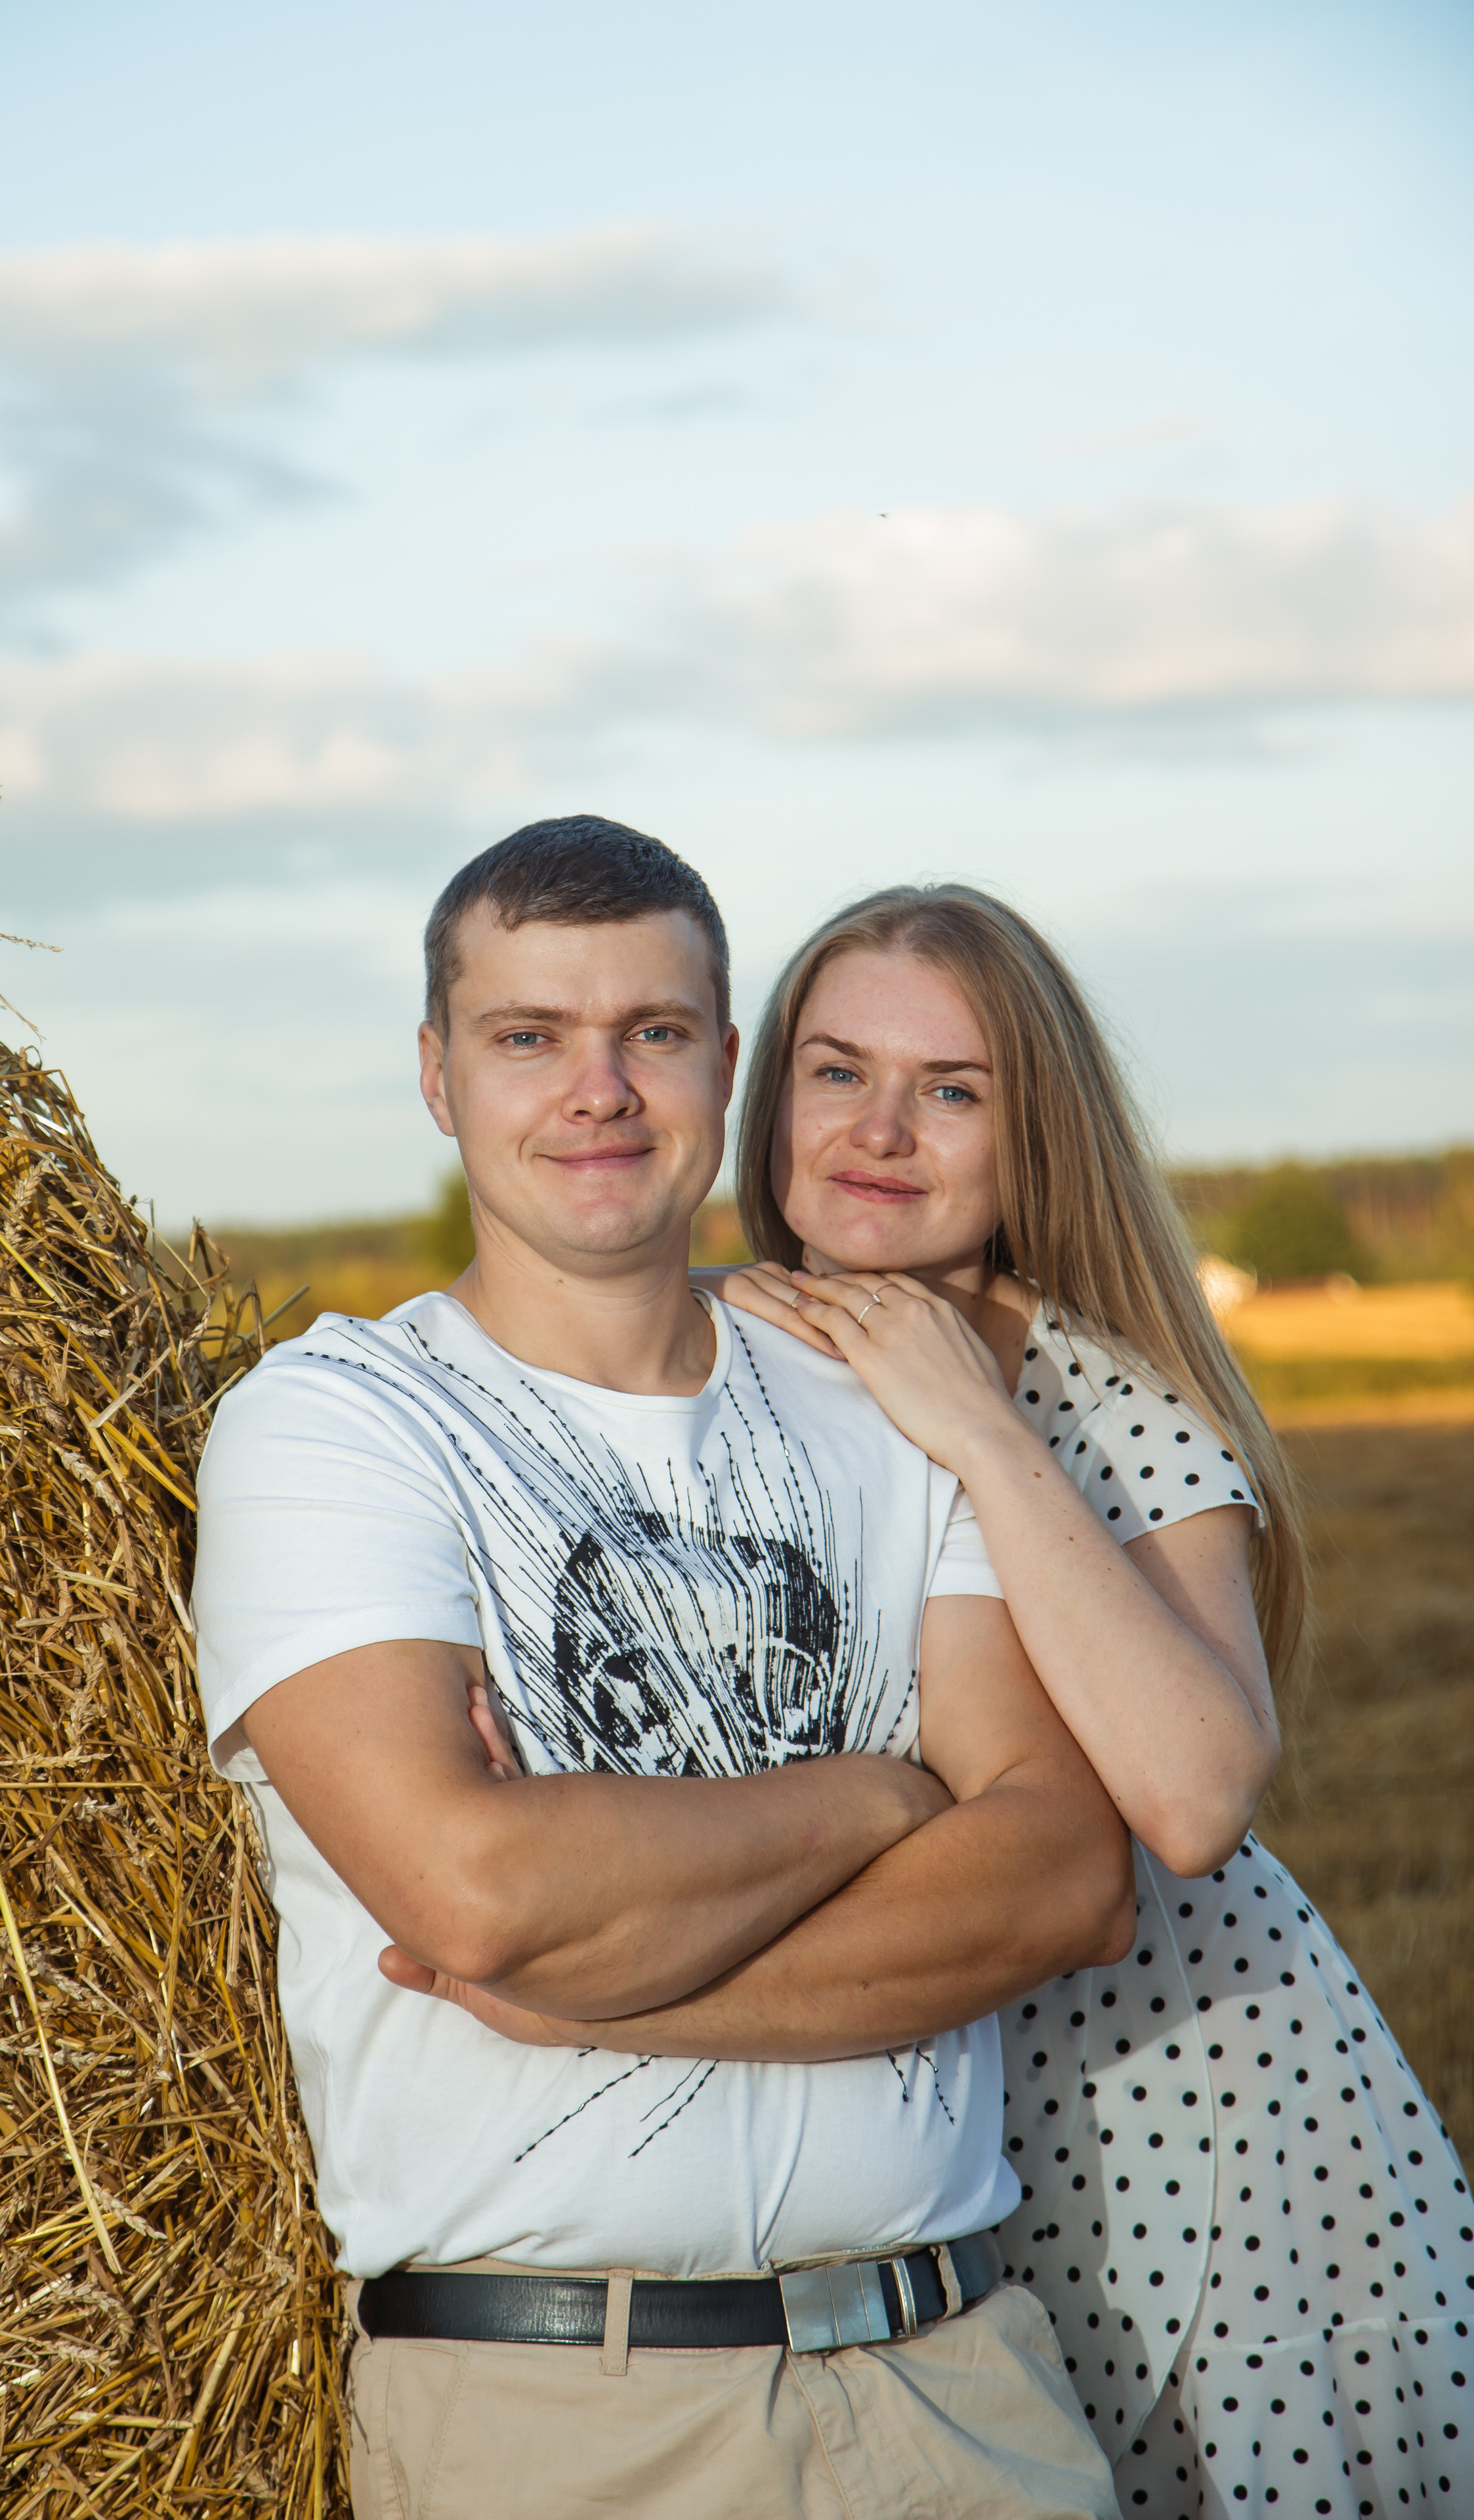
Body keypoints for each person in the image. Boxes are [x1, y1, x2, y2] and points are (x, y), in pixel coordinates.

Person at [192, 817, 1139, 2520]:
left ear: (725, 1062)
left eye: (655, 1032)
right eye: (528, 1036)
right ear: (436, 1074)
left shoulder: (894, 1398)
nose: (599, 1090)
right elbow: (475, 1894)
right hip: (561, 2419)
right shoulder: (337, 1429)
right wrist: (882, 1793)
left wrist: (585, 1963)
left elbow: (1067, 1876)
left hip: (960, 2385)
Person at [702, 880, 1474, 2520]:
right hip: (892, 2107)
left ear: (1027, 1135)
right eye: (836, 1072)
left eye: (952, 1090)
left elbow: (1196, 1798)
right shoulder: (695, 1345)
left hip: (1178, 2110)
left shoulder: (1098, 1389)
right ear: (767, 1092)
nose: (880, 1131)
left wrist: (974, 1428)